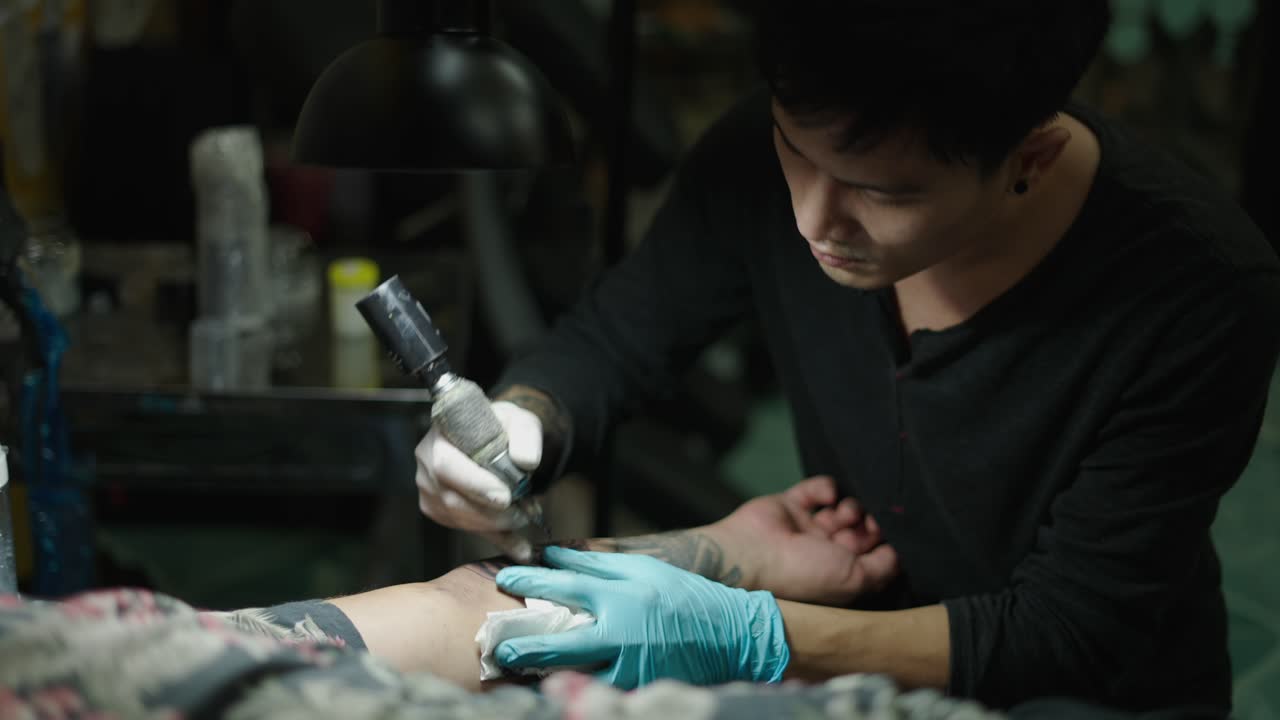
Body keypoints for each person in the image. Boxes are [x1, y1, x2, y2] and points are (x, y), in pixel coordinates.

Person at [412, 0, 1280, 715]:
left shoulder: (1199, 289)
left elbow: (1068, 633)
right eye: (797, 153)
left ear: (1029, 159)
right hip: (864, 659)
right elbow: (615, 338)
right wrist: (527, 416)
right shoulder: (763, 156)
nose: (813, 222)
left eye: (881, 192)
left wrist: (757, 632)